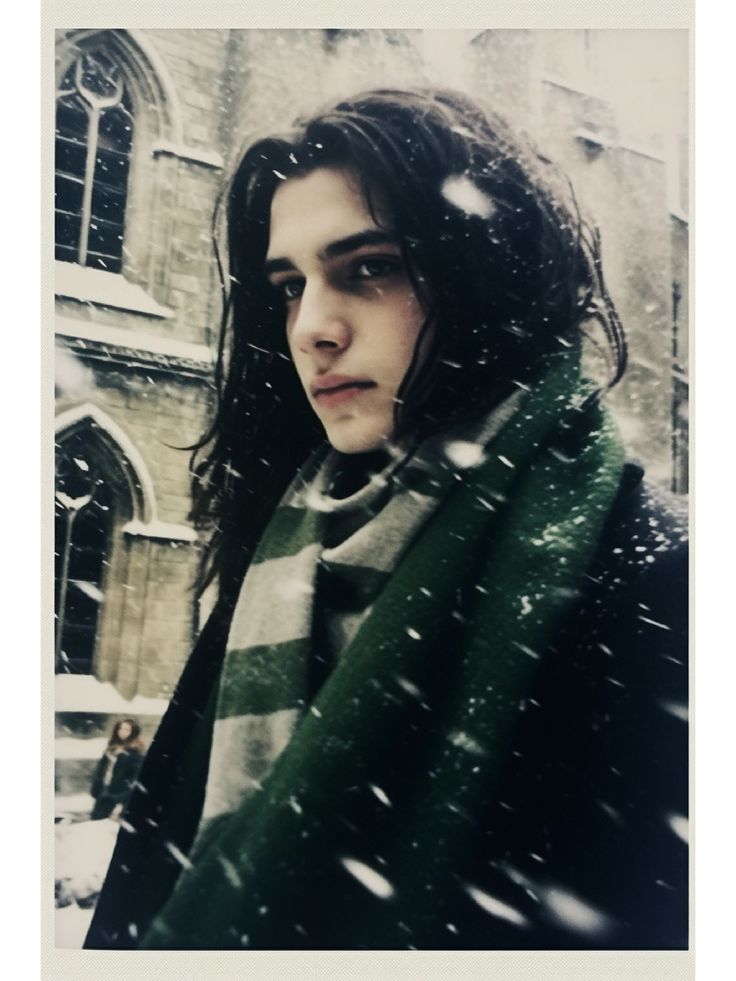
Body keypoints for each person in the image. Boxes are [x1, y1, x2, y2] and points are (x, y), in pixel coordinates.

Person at [85, 88, 687, 951]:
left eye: (369, 266)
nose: (312, 328)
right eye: (288, 286)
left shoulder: (659, 578)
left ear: (486, 271)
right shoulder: (281, 561)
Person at [89, 718, 146, 821]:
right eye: (121, 728)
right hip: (104, 791)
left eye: (127, 729)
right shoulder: (112, 747)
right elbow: (101, 769)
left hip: (118, 794)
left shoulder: (135, 752)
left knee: (108, 826)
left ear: (133, 732)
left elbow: (135, 777)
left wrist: (122, 799)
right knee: (95, 822)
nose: (122, 732)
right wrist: (96, 786)